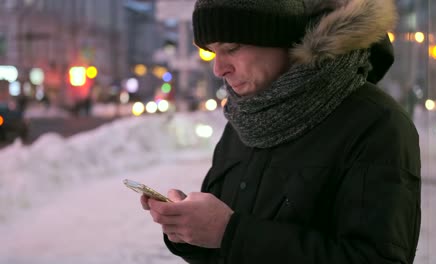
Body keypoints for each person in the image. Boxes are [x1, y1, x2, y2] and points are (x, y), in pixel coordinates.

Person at [140, 0, 421, 263]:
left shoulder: (376, 124)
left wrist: (229, 232)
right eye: (213, 52)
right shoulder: (247, 116)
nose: (218, 68)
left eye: (232, 47)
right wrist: (189, 229)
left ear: (284, 38)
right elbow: (223, 241)